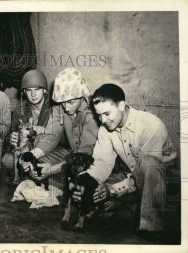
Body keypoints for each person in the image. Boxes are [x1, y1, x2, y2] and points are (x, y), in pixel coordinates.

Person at [73, 83, 177, 239]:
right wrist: (86, 184)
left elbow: (147, 172)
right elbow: (102, 164)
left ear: (121, 105)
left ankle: (151, 228)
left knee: (148, 163)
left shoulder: (151, 124)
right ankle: (132, 208)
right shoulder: (106, 128)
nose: (103, 120)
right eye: (99, 115)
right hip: (131, 176)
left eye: (107, 113)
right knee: (95, 195)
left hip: (163, 180)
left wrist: (113, 190)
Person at [26, 68, 99, 188]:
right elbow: (52, 135)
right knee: (38, 163)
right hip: (72, 154)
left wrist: (54, 169)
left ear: (82, 97)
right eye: (62, 102)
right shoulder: (60, 106)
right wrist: (30, 156)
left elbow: (85, 153)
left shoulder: (92, 114)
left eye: (71, 102)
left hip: (90, 159)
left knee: (78, 173)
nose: (65, 107)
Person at [1, 69, 65, 182]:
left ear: (44, 90)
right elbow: (10, 138)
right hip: (27, 149)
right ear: (24, 92)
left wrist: (40, 132)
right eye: (29, 90)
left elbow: (54, 137)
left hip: (50, 150)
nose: (33, 94)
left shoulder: (53, 107)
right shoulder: (19, 110)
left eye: (37, 90)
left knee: (38, 164)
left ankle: (36, 176)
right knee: (7, 160)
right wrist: (13, 139)